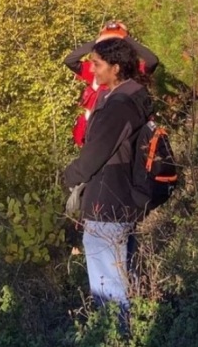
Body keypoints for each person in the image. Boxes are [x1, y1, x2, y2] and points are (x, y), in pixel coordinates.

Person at [63, 38, 154, 314]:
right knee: (125, 276)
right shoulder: (135, 95)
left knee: (108, 290)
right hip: (124, 198)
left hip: (107, 202)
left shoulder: (119, 105)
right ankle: (133, 331)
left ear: (116, 68)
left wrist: (69, 177)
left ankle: (119, 335)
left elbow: (94, 155)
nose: (92, 70)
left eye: (97, 64)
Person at [64, 21, 159, 147]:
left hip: (123, 135)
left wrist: (125, 39)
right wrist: (99, 41)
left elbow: (152, 61)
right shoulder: (96, 69)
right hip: (96, 134)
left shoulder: (133, 69)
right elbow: (70, 60)